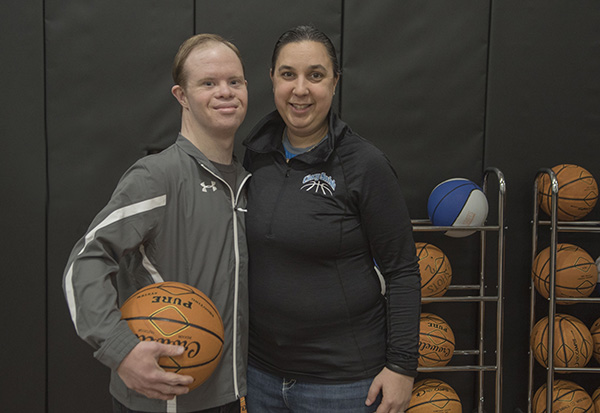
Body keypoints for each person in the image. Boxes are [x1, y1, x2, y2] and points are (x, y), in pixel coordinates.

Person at [62, 33, 250, 413]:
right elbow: (84, 262)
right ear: (181, 96)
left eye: (235, 81)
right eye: (208, 83)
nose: (225, 92)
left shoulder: (246, 181)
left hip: (228, 396)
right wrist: (120, 350)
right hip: (160, 399)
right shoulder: (156, 176)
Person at [242, 25, 422, 413]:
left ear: (335, 82)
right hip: (261, 376)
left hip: (345, 384)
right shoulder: (253, 156)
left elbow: (403, 270)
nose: (300, 89)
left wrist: (402, 367)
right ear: (272, 79)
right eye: (288, 74)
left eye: (316, 75)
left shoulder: (364, 164)